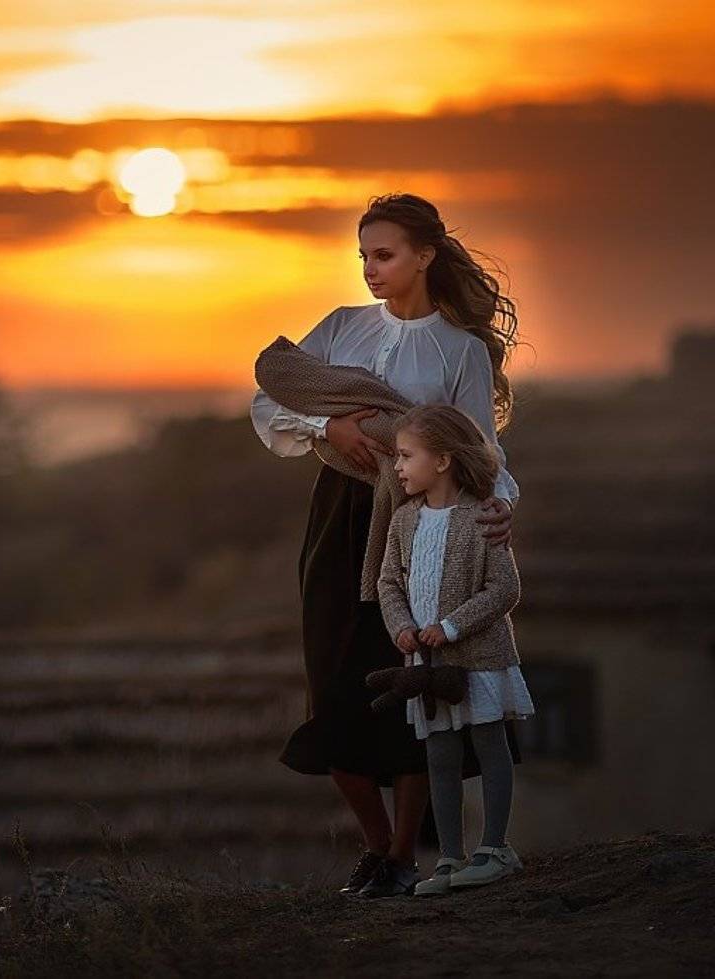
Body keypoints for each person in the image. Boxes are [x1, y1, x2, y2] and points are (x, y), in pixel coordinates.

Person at [249, 192, 524, 899]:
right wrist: (328, 430)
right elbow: (272, 396)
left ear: (425, 254)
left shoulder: (459, 349)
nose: (370, 268)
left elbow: (481, 451)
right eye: (363, 255)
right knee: (334, 683)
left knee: (410, 683)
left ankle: (403, 855)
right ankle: (377, 846)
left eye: (385, 253)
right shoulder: (342, 328)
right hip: (338, 518)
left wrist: (498, 508)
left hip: (422, 523)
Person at [366, 404, 536, 896]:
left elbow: (504, 589)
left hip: (478, 659)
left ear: (441, 460)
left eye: (405, 456)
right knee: (438, 757)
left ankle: (495, 849)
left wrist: (452, 626)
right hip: (425, 666)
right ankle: (450, 858)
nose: (396, 467)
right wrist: (401, 628)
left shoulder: (483, 516)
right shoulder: (402, 520)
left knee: (488, 744)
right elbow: (388, 583)